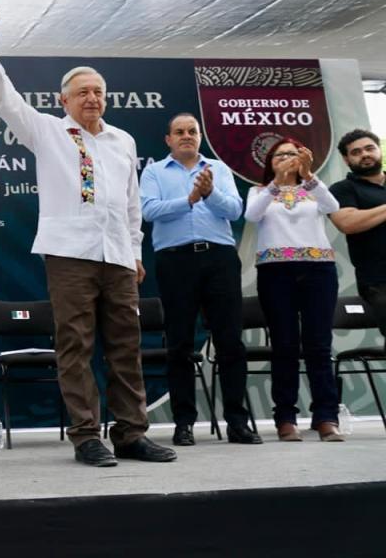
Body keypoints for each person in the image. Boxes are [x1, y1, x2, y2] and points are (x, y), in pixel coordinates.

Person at [0, 5, 176, 467]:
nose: (91, 98)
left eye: (98, 92)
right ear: (63, 100)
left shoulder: (122, 141)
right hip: (70, 254)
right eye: (82, 92)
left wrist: (134, 250)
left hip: (119, 257)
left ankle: (131, 433)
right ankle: (87, 435)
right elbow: (5, 100)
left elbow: (131, 203)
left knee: (127, 346)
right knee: (76, 345)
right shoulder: (47, 131)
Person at [139, 113, 262, 446]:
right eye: (179, 131)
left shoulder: (217, 169)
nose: (187, 136)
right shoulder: (153, 172)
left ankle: (238, 421)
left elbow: (235, 210)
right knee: (178, 343)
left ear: (199, 136)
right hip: (175, 260)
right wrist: (189, 199)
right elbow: (149, 211)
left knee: (230, 342)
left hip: (219, 259)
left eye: (192, 131)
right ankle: (183, 423)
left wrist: (209, 195)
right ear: (168, 140)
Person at [244, 138, 343, 441]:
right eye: (279, 155)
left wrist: (310, 175)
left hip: (318, 270)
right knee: (284, 345)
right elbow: (252, 215)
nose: (286, 158)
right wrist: (276, 182)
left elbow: (333, 207)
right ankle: (285, 417)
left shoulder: (313, 188)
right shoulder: (259, 191)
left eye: (292, 154)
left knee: (318, 345)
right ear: (270, 162)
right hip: (276, 273)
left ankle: (326, 416)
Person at [328, 129, 386, 348]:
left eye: (370, 148)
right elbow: (348, 223)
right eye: (356, 152)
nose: (365, 154)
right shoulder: (342, 189)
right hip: (378, 282)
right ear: (346, 159)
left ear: (379, 150)